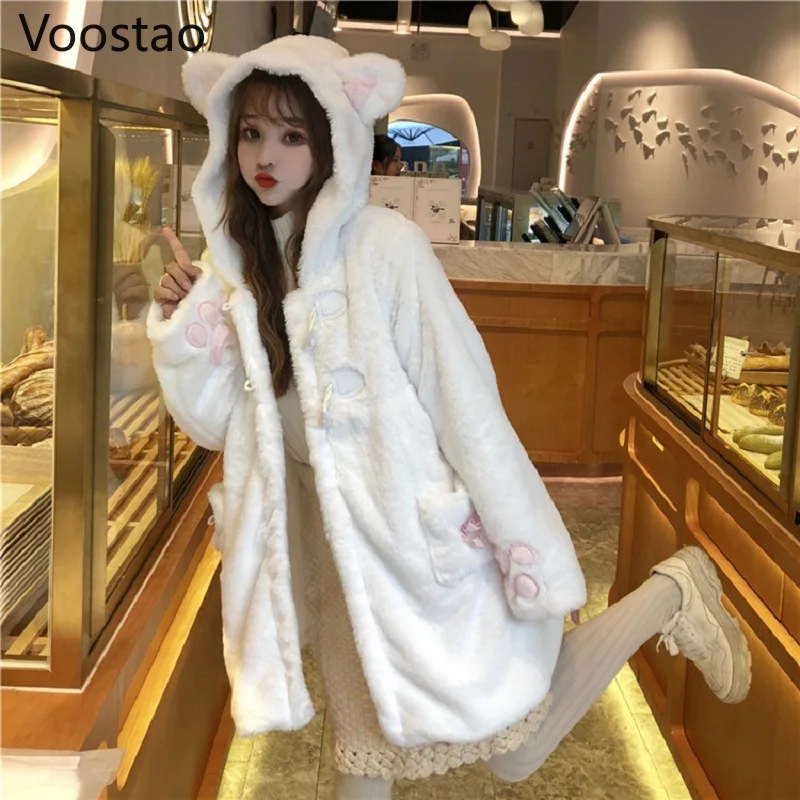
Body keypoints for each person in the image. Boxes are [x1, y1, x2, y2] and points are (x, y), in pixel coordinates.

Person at [148, 37, 751, 800]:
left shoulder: (386, 249)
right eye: (251, 132)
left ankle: (673, 590)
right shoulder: (236, 263)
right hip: (331, 547)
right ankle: (674, 591)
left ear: (333, 139)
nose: (267, 154)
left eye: (292, 135)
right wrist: (186, 325)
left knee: (512, 752)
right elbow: (215, 424)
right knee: (365, 756)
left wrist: (525, 541)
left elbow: (466, 401)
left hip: (417, 541)